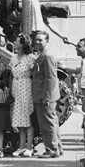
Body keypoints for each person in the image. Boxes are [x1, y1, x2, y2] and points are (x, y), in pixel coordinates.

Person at [31, 30, 62, 158]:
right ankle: (57, 148)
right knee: (52, 122)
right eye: (36, 39)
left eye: (40, 40)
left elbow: (50, 78)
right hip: (42, 95)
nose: (37, 42)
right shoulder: (43, 54)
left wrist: (47, 97)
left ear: (47, 41)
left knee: (47, 124)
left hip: (45, 96)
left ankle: (51, 149)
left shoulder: (47, 56)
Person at [9, 34, 37, 157]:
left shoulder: (30, 58)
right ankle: (21, 146)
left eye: (16, 41)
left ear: (21, 43)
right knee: (19, 117)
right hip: (16, 87)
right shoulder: (13, 58)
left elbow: (34, 75)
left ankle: (29, 147)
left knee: (28, 116)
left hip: (26, 87)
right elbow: (11, 75)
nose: (14, 43)